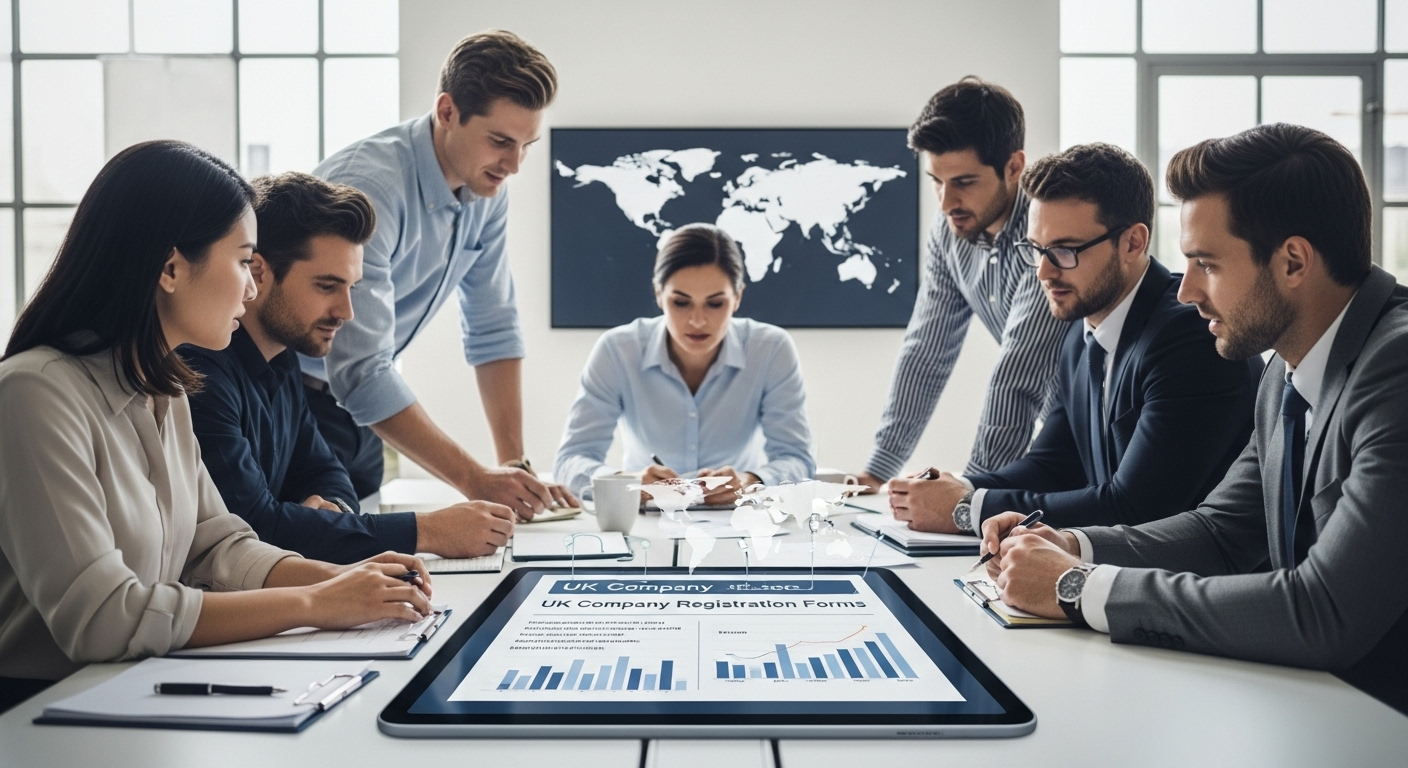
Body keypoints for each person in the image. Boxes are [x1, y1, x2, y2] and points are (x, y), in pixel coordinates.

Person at [984, 124, 1408, 715]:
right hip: (1324, 709)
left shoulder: (1396, 370)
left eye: (1206, 263)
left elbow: (1324, 611)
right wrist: (1072, 545)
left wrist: (1077, 586)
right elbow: (1220, 532)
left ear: (1292, 262)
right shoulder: (1286, 374)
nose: (1184, 291)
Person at [0, 142, 433, 715]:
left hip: (131, 694)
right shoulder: (34, 393)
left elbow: (217, 546)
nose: (252, 290)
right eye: (243, 262)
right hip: (40, 713)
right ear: (171, 268)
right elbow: (103, 619)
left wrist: (345, 580)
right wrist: (314, 602)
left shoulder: (165, 388)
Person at [890, 144, 1261, 534]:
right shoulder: (1079, 337)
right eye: (1037, 250)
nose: (1044, 272)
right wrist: (956, 487)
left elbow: (1135, 506)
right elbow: (1053, 466)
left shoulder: (1190, 337)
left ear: (1133, 243)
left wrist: (967, 508)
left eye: (1065, 251)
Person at [181, 172, 515, 564]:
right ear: (257, 272)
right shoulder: (201, 370)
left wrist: (333, 509)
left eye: (351, 288)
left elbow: (327, 471)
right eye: (327, 286)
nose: (346, 312)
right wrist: (428, 531)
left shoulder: (283, 358)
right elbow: (253, 527)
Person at [308, 29, 574, 518]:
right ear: (447, 111)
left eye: (527, 146)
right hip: (293, 397)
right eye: (501, 142)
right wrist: (474, 479)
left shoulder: (486, 189)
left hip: (357, 413)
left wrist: (513, 468)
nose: (514, 165)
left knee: (364, 538)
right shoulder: (370, 188)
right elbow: (360, 369)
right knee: (320, 547)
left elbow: (493, 327)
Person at [850, 77, 1069, 492]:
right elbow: (926, 351)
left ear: (1014, 167)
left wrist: (969, 496)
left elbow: (1018, 373)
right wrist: (878, 471)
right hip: (1062, 425)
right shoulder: (949, 232)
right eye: (937, 181)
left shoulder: (1047, 232)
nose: (946, 202)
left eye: (964, 182)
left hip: (1119, 418)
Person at [554, 224, 815, 505]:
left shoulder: (771, 350)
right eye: (681, 303)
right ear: (658, 294)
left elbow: (797, 459)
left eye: (715, 304)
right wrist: (628, 483)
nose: (697, 321)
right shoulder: (617, 351)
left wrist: (750, 481)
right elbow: (571, 460)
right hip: (645, 517)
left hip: (737, 516)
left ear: (737, 298)